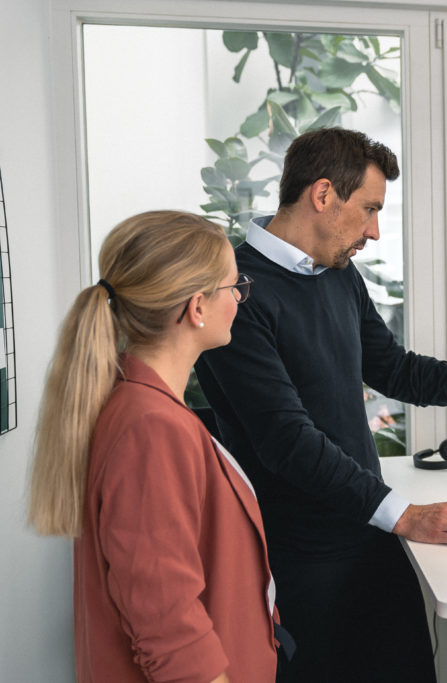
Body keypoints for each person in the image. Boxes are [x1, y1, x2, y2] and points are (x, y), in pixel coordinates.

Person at [194, 127, 447, 682]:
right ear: (322, 195)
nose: (374, 232)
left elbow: (393, 367)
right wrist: (406, 514)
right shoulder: (238, 294)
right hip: (301, 559)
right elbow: (287, 440)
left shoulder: (337, 273)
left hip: (367, 528)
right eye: (370, 209)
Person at [27, 211, 279, 682]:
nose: (241, 299)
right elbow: (167, 625)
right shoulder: (151, 429)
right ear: (196, 307)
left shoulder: (140, 406)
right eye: (233, 286)